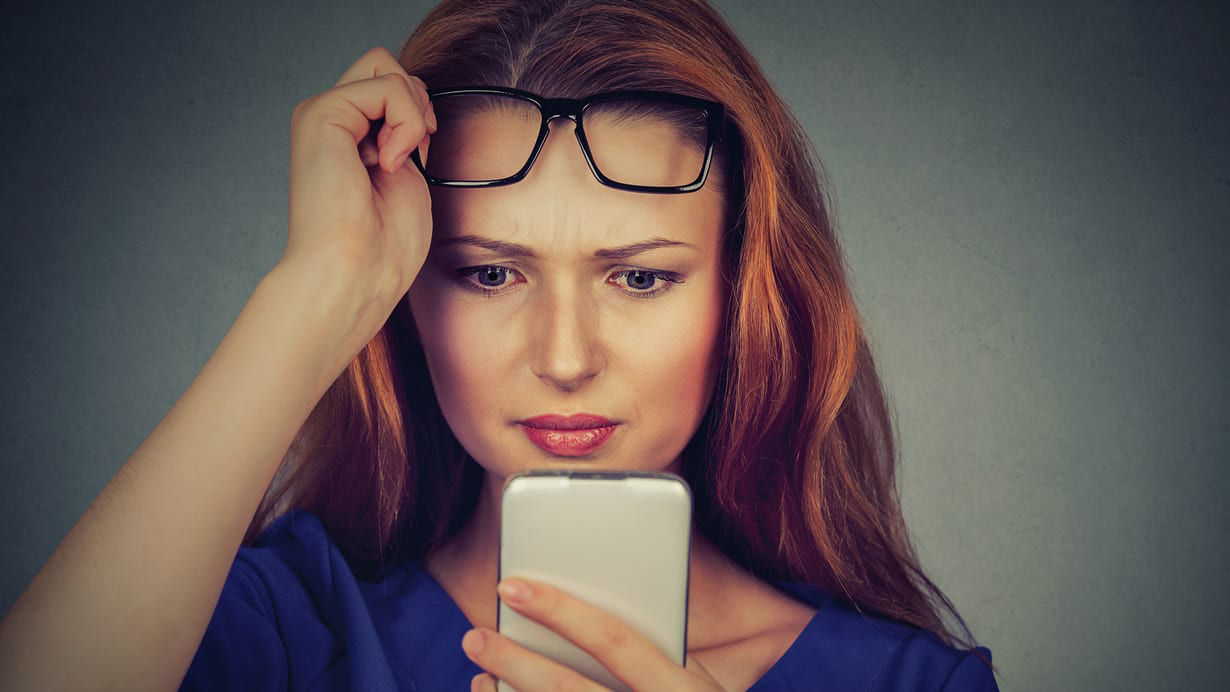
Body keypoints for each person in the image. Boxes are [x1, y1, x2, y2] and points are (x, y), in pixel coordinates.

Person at [0, 0, 1000, 689]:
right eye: (489, 273)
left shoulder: (910, 681)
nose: (564, 356)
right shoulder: (293, 627)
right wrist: (314, 289)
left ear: (744, 297)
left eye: (640, 275)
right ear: (411, 292)